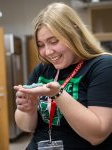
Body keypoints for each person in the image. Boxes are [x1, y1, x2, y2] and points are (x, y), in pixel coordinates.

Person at [14, 2, 112, 150]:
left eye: (54, 42)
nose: (47, 52)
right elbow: (26, 126)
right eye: (41, 45)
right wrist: (28, 109)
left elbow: (97, 134)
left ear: (74, 33)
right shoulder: (42, 70)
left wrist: (58, 94)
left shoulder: (102, 66)